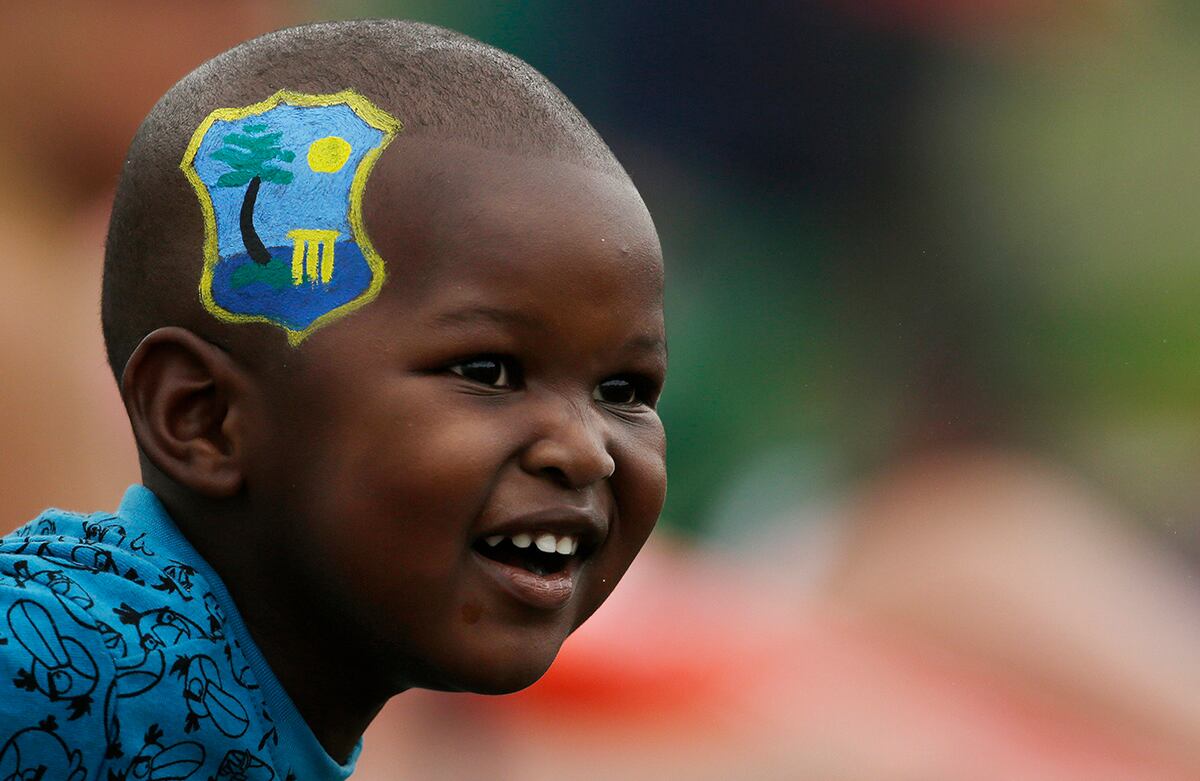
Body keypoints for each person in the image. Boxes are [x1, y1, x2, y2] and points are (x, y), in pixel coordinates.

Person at [0, 19, 667, 780]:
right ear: (203, 418)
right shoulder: (67, 672)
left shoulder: (219, 694)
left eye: (624, 390)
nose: (584, 450)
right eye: (488, 371)